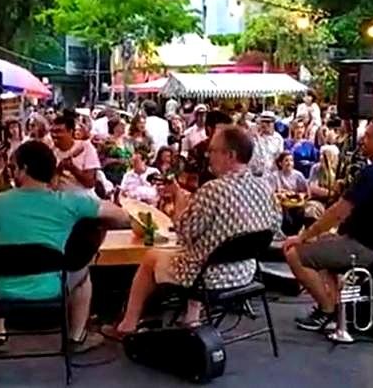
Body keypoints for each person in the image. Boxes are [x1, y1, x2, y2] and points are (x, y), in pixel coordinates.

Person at [107, 126, 282, 336]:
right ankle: (191, 319)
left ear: (230, 155)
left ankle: (128, 325)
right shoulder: (265, 188)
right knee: (200, 251)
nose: (209, 156)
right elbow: (274, 228)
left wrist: (180, 200)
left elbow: (183, 234)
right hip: (246, 272)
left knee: (153, 257)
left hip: (209, 277)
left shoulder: (213, 190)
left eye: (213, 150)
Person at [0, 140, 131, 353]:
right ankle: (76, 338)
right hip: (51, 288)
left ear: (24, 169)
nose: (12, 172)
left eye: (14, 167)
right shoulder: (68, 202)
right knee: (82, 273)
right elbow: (121, 216)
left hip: (2, 291)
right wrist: (95, 223)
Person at [283, 118, 373, 331]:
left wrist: (303, 236)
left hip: (368, 248)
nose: (363, 140)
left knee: (294, 253)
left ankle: (326, 311)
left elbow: (337, 213)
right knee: (323, 245)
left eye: (369, 137)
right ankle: (335, 307)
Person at [50, 115, 101, 195]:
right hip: (58, 199)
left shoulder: (85, 147)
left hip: (82, 198)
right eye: (52, 131)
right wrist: (58, 170)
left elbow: (90, 183)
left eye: (59, 131)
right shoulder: (51, 150)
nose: (54, 135)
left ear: (70, 131)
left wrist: (72, 169)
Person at [188, 110, 232, 188]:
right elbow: (189, 181)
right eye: (223, 131)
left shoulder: (232, 151)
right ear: (210, 129)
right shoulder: (198, 150)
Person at [250, 111, 284, 178]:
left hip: (270, 174)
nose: (264, 124)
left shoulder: (278, 139)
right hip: (254, 174)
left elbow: (279, 158)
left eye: (268, 122)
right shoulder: (253, 137)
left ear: (273, 123)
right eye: (262, 122)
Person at [100, 117, 133, 186]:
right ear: (114, 127)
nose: (124, 127)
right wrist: (116, 160)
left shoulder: (127, 141)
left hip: (126, 174)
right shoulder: (107, 142)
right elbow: (101, 161)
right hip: (111, 175)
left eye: (125, 125)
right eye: (121, 125)